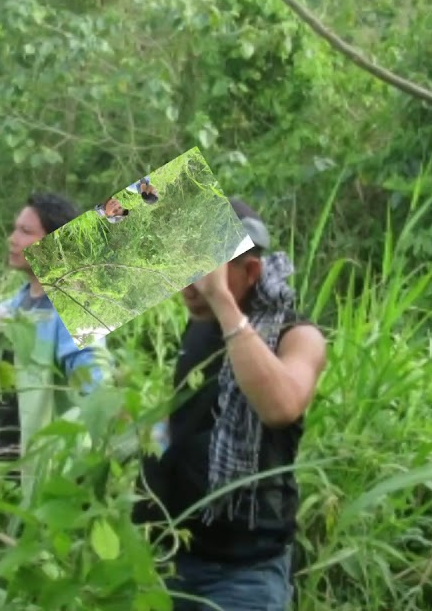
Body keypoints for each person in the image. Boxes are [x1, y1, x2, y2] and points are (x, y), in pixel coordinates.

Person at [133, 198, 328, 611]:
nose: (190, 288)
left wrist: (222, 303)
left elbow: (281, 405)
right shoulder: (200, 326)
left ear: (251, 272)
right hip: (174, 555)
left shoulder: (298, 336)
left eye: (205, 274)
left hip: (245, 574)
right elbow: (192, 416)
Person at [0, 192, 108, 470]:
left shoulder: (75, 306)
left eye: (25, 231)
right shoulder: (13, 307)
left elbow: (94, 385)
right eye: (15, 229)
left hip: (51, 460)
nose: (12, 238)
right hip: (6, 450)